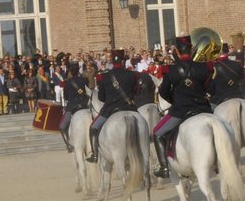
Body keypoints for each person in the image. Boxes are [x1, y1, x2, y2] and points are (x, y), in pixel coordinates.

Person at [153, 35, 215, 178]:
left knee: (157, 133)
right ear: (192, 50)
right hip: (203, 109)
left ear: (176, 51)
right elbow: (212, 89)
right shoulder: (204, 67)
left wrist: (174, 99)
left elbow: (163, 92)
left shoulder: (170, 70)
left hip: (180, 111)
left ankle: (164, 167)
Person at [87, 51, 140, 164]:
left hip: (110, 109)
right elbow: (136, 92)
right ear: (123, 61)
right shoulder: (132, 75)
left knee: (93, 128)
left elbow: (101, 98)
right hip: (130, 108)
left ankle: (95, 155)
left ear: (111, 61)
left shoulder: (104, 77)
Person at [59, 62, 93, 153]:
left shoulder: (67, 83)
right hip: (85, 105)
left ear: (70, 71)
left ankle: (68, 145)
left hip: (72, 106)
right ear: (78, 70)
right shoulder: (84, 80)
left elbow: (66, 97)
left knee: (62, 126)